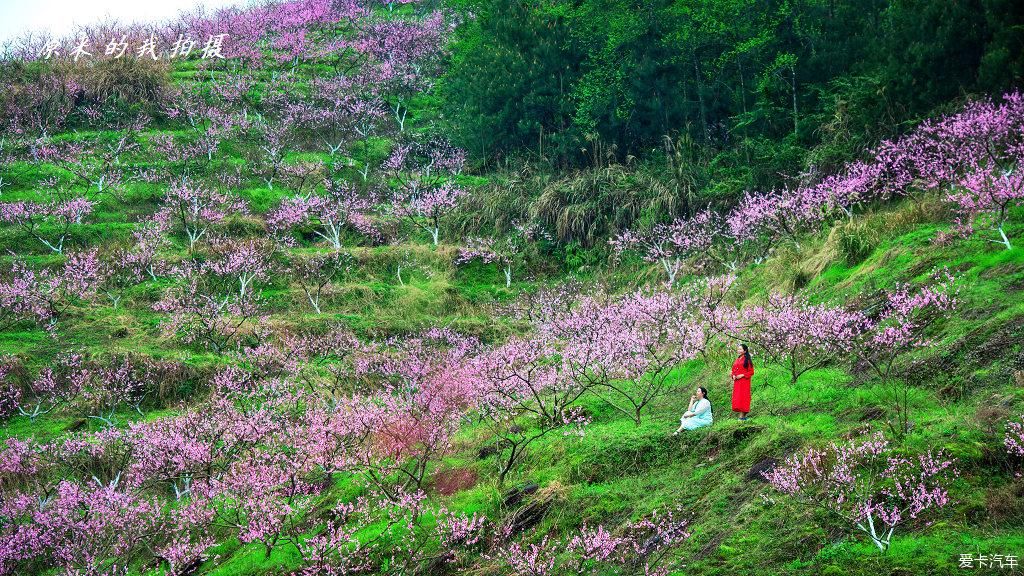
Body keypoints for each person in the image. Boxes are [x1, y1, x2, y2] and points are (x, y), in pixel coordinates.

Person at [732, 343, 754, 420]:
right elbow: (733, 370)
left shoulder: (747, 360)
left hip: (744, 382)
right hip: (737, 382)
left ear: (745, 351)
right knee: (738, 398)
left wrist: (742, 375)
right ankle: (743, 417)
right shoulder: (737, 359)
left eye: (740, 349)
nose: (739, 350)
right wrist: (733, 375)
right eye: (738, 349)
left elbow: (751, 372)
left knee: (744, 397)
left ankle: (741, 417)